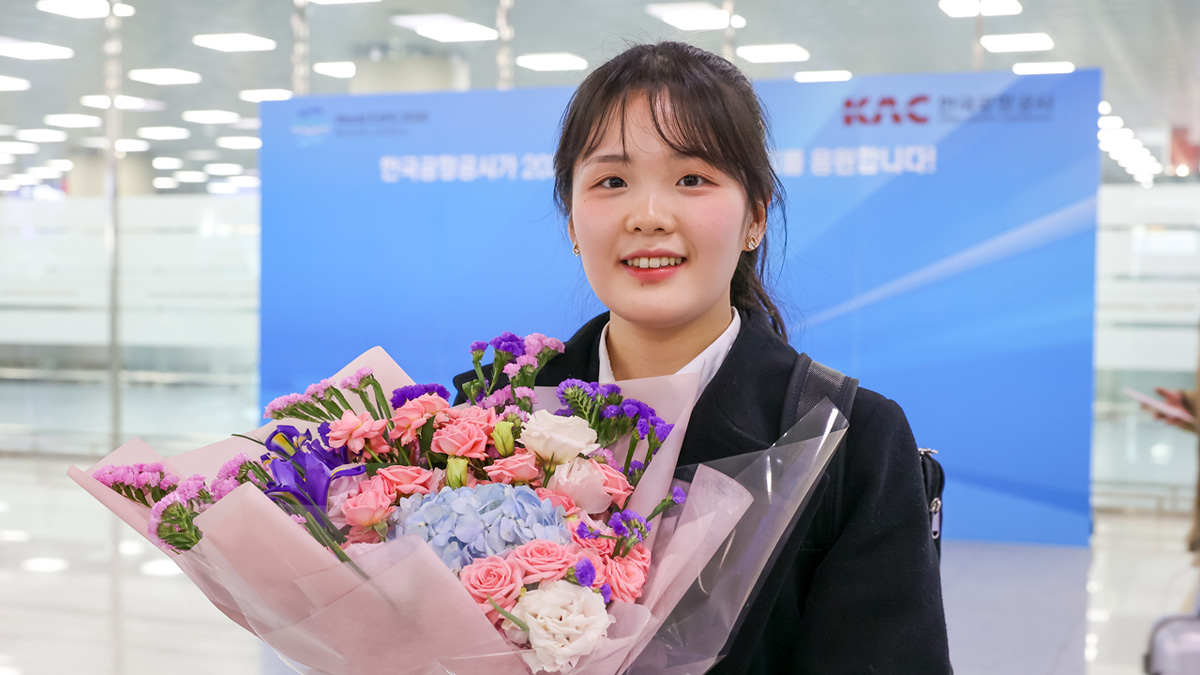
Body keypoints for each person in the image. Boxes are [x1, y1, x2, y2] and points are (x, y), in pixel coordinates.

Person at [455, 41, 951, 674]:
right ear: (573, 223)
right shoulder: (486, 419)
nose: (648, 216)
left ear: (755, 218)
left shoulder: (847, 440)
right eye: (612, 181)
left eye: (692, 179)